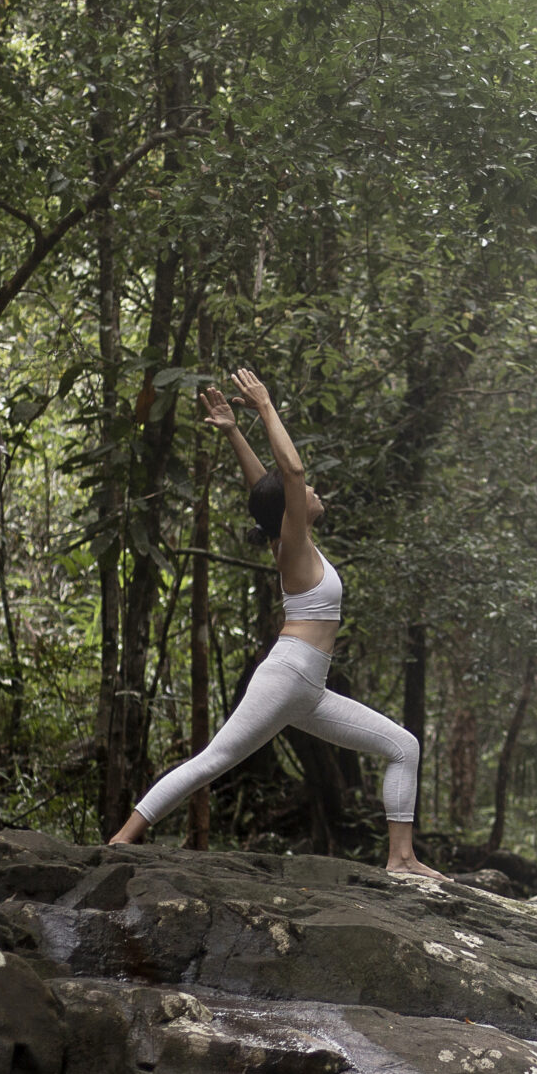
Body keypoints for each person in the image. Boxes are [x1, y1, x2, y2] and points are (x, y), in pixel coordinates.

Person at [109, 367, 446, 879]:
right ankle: (123, 838)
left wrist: (234, 433)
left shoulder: (286, 539)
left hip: (307, 688)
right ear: (293, 510)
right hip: (288, 675)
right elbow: (288, 476)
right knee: (213, 760)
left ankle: (401, 859)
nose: (311, 491)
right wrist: (264, 406)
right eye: (306, 492)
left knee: (403, 746)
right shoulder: (294, 548)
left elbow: (265, 489)